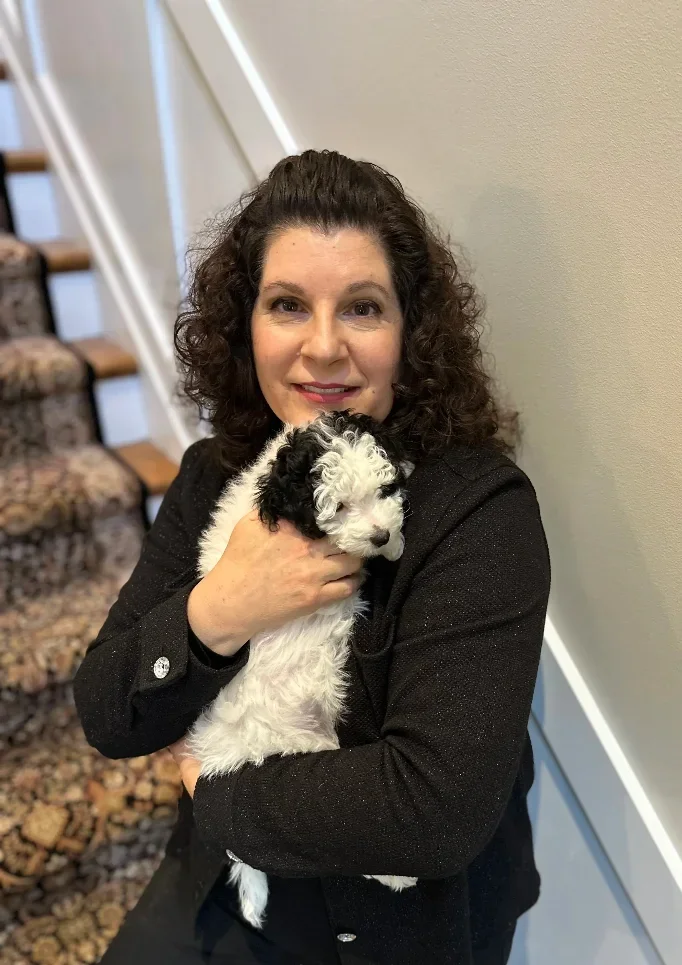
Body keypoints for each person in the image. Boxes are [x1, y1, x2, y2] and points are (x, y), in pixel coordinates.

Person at [72, 149, 551, 965]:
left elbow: (432, 810)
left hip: (396, 934)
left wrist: (215, 795)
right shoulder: (213, 473)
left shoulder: (478, 510)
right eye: (288, 304)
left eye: (363, 308)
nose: (324, 348)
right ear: (244, 323)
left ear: (411, 332)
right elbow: (109, 709)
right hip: (221, 888)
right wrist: (220, 608)